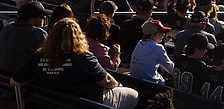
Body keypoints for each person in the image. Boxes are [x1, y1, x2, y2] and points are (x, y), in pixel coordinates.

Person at [10, 17, 140, 109]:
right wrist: (118, 85)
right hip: (86, 102)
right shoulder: (83, 56)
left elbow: (15, 81)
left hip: (50, 101)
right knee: (134, 95)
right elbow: (105, 80)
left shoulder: (39, 56)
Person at [0, 1, 50, 75]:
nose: (44, 19)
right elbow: (47, 57)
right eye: (42, 17)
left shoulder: (7, 28)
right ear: (32, 20)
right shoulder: (38, 33)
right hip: (15, 78)